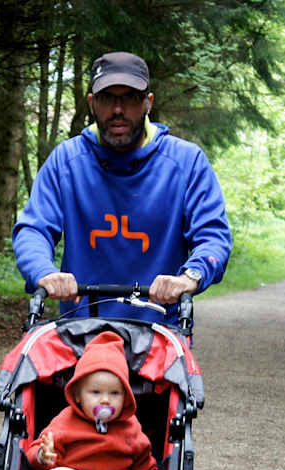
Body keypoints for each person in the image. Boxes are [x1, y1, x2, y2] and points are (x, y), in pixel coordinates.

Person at [13, 51, 232, 323]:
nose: (118, 110)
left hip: (161, 330)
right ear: (92, 103)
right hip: (79, 329)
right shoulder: (66, 162)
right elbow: (34, 228)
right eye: (107, 99)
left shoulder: (186, 162)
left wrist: (190, 276)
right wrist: (43, 271)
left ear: (147, 103)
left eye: (129, 97)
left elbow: (213, 236)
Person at [24, 331, 167, 470]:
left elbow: (143, 458)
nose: (105, 400)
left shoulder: (130, 425)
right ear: (77, 395)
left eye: (115, 393)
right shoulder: (65, 421)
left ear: (126, 397)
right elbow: (37, 449)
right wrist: (42, 456)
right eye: (96, 392)